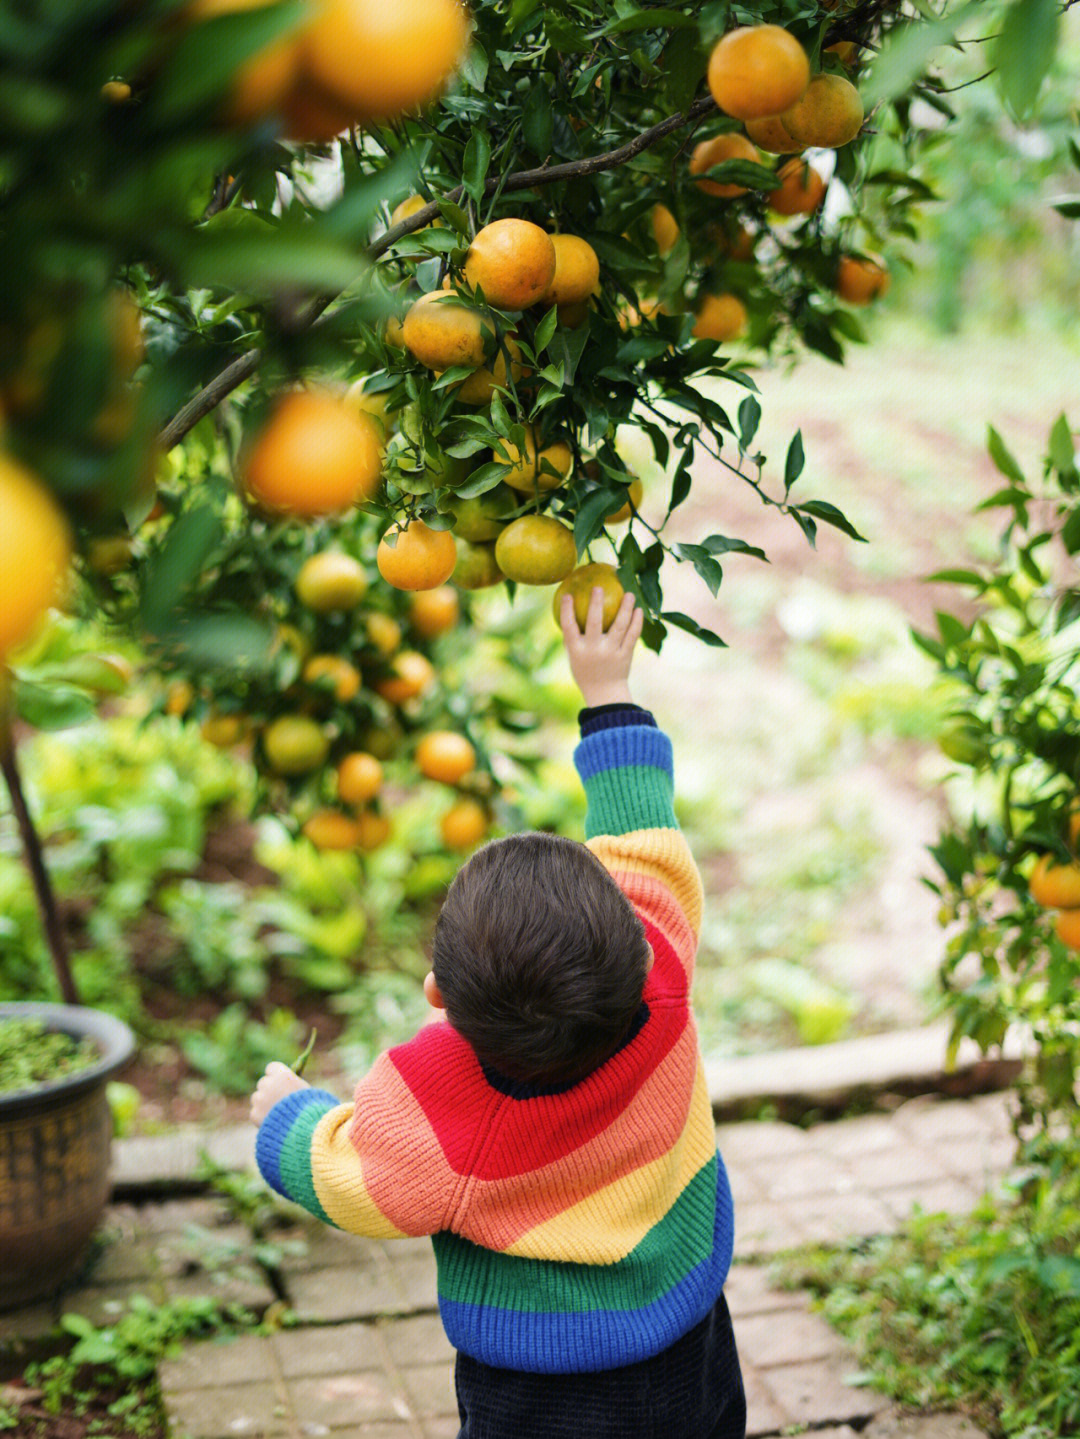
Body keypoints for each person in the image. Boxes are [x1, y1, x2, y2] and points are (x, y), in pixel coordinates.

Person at [250, 586, 746, 1439]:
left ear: (438, 993)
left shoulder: (444, 1105)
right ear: (627, 926)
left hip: (541, 1391)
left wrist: (287, 1121)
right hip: (685, 1332)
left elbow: (361, 1182)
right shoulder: (659, 966)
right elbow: (641, 831)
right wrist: (607, 692)